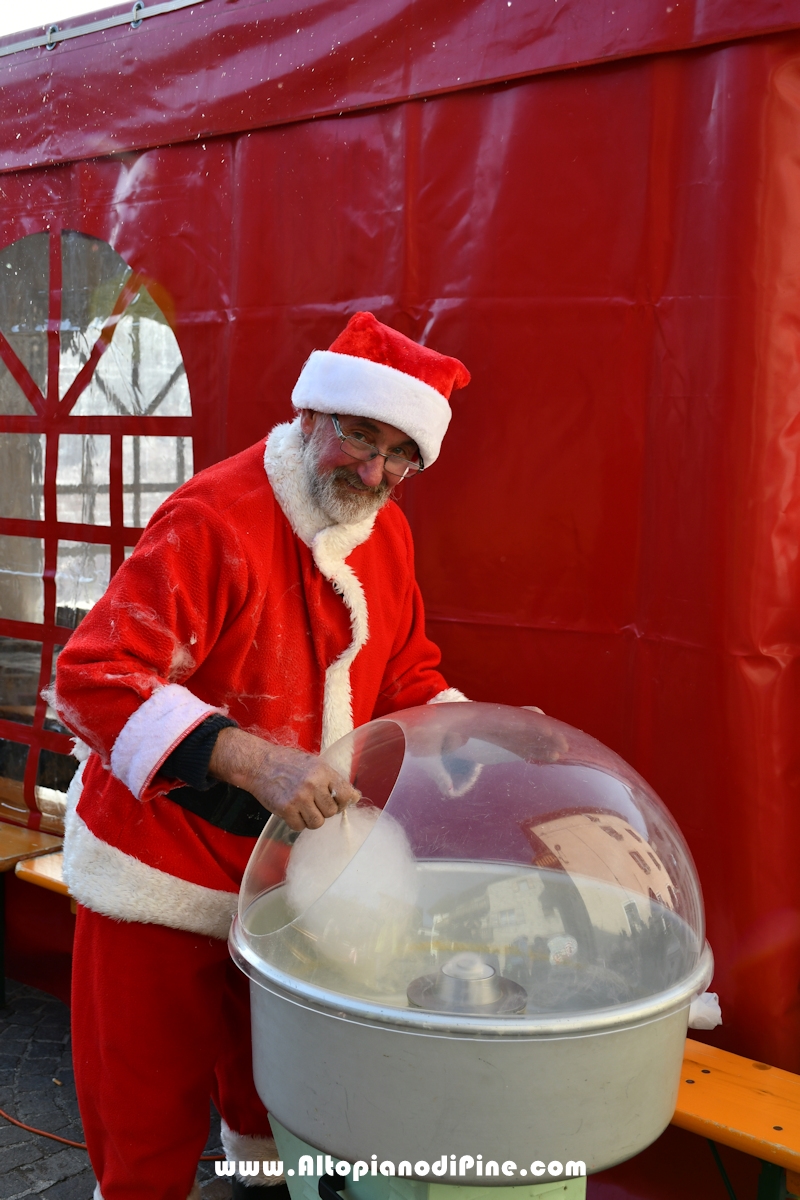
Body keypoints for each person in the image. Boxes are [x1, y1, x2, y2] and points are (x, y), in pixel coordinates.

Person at [52, 311, 471, 1200]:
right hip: (155, 863)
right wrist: (251, 758)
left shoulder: (384, 533)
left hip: (288, 873)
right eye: (360, 436)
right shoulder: (215, 515)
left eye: (402, 456)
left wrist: (468, 735)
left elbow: (404, 672)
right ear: (314, 413)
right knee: (145, 1113)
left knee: (272, 1089)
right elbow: (92, 677)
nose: (374, 473)